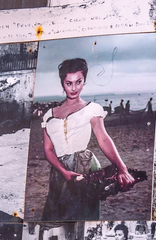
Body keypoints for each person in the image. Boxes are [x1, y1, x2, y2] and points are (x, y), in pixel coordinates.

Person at [40, 58, 134, 221]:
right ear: (62, 82)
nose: (74, 88)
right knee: (54, 215)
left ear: (84, 80)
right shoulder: (49, 114)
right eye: (69, 83)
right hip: (58, 171)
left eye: (79, 82)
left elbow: (103, 139)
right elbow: (47, 150)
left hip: (83, 166)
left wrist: (122, 168)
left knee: (79, 216)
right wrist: (62, 170)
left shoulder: (91, 109)